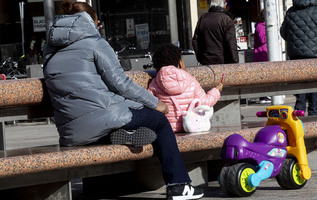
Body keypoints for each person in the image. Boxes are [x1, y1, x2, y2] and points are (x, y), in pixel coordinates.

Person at [43, 1, 204, 199]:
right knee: (159, 122)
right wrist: (155, 104)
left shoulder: (49, 50)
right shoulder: (95, 43)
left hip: (71, 134)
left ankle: (125, 132)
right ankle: (179, 185)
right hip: (102, 118)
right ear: (91, 22)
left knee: (118, 120)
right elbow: (121, 83)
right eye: (98, 23)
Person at [280, 0, 317, 115]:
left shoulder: (291, 12)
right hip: (315, 55)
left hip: (296, 56)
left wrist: (295, 43)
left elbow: (283, 32)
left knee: (301, 87)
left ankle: (298, 115)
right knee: (315, 88)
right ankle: (313, 117)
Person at [148, 43, 223, 133]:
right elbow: (205, 103)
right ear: (179, 63)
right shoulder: (190, 80)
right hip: (189, 126)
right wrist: (216, 91)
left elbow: (148, 103)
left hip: (166, 128)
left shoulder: (155, 83)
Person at [192, 0, 239, 65]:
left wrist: (200, 58)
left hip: (206, 61)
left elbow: (195, 40)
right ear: (224, 5)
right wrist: (235, 61)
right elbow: (231, 43)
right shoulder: (226, 19)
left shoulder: (203, 18)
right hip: (223, 62)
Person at [253, 9, 271, 104]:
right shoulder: (260, 26)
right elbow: (262, 39)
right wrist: (271, 32)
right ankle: (263, 96)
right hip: (261, 54)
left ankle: (265, 95)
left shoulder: (261, 25)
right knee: (263, 76)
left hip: (264, 53)